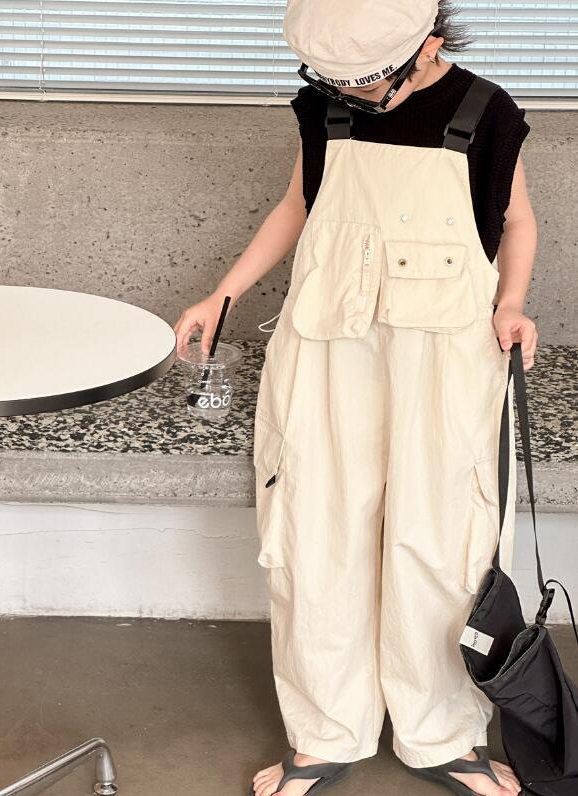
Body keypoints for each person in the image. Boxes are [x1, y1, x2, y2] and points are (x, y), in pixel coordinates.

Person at [174, 1, 538, 794]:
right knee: (316, 533)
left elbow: (516, 223)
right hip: (327, 347)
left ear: (427, 45)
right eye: (333, 81)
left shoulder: (485, 110)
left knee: (442, 540)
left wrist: (512, 305)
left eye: (365, 83)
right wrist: (221, 296)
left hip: (446, 356)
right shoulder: (326, 107)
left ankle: (443, 737)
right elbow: (298, 207)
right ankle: (323, 733)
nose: (348, 95)